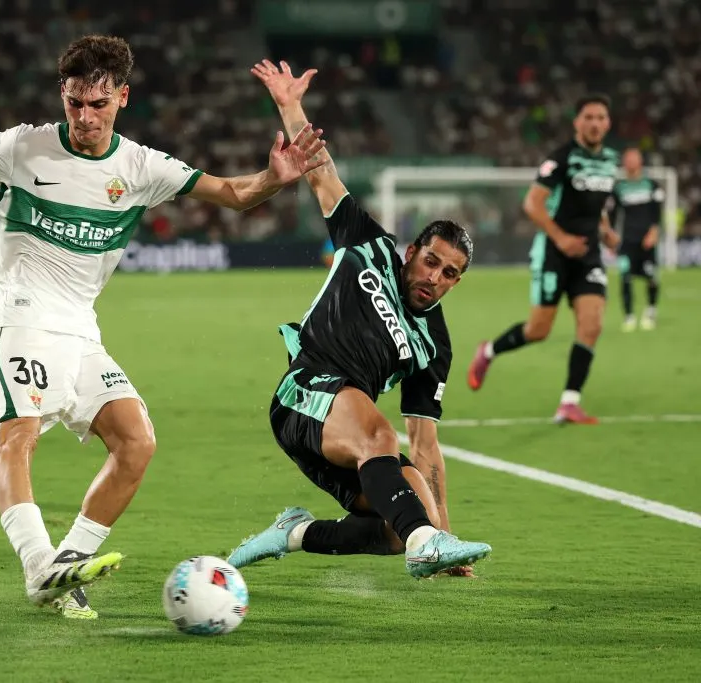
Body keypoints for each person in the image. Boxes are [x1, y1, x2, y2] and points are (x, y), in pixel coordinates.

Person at [0, 36, 327, 619]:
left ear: (122, 98)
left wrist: (272, 178)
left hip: (80, 331)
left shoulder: (142, 166)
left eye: (98, 104)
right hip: (21, 318)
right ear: (62, 98)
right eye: (74, 104)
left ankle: (66, 567)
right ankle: (39, 565)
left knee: (137, 441)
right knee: (18, 435)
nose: (84, 117)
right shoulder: (25, 146)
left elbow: (233, 194)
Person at [226, 60, 491, 578]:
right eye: (431, 261)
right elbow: (320, 170)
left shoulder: (435, 345)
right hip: (305, 392)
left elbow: (427, 445)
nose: (435, 276)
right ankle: (426, 543)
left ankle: (296, 532)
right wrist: (288, 103)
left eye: (449, 273)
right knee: (380, 436)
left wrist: (444, 527)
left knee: (396, 529)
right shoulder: (367, 243)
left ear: (457, 282)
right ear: (412, 250)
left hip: (341, 433)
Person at [467, 94, 621, 425]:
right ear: (577, 122)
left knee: (591, 324)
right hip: (554, 253)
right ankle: (489, 351)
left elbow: (597, 204)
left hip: (588, 255)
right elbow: (533, 204)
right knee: (539, 330)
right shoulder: (560, 159)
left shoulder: (610, 160)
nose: (595, 123)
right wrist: (561, 238)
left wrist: (606, 230)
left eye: (601, 118)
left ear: (608, 123)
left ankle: (569, 402)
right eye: (589, 117)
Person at [608, 148, 663, 331]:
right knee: (625, 277)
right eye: (627, 159)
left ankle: (651, 311)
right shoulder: (619, 188)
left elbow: (657, 212)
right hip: (627, 241)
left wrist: (654, 232)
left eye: (634, 159)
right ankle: (629, 316)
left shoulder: (651, 185)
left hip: (646, 241)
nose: (630, 163)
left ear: (640, 161)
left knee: (651, 277)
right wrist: (610, 236)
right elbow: (613, 215)